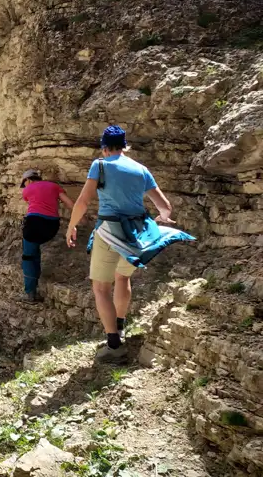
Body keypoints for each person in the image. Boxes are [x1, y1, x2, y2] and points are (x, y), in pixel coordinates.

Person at [66, 125, 195, 362]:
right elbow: (165, 207)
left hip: (109, 232)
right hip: (136, 235)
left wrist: (71, 225)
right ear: (125, 146)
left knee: (101, 288)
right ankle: (121, 327)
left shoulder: (100, 165)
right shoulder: (141, 169)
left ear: (104, 148)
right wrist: (161, 219)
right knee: (122, 278)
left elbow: (83, 201)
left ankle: (114, 345)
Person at [20, 169, 74, 304]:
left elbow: (34, 206)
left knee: (28, 256)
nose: (25, 186)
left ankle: (30, 294)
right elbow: (69, 203)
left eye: (24, 183)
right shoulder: (54, 186)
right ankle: (35, 281)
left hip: (34, 224)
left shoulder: (27, 190)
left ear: (28, 180)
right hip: (52, 226)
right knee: (35, 249)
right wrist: (81, 219)